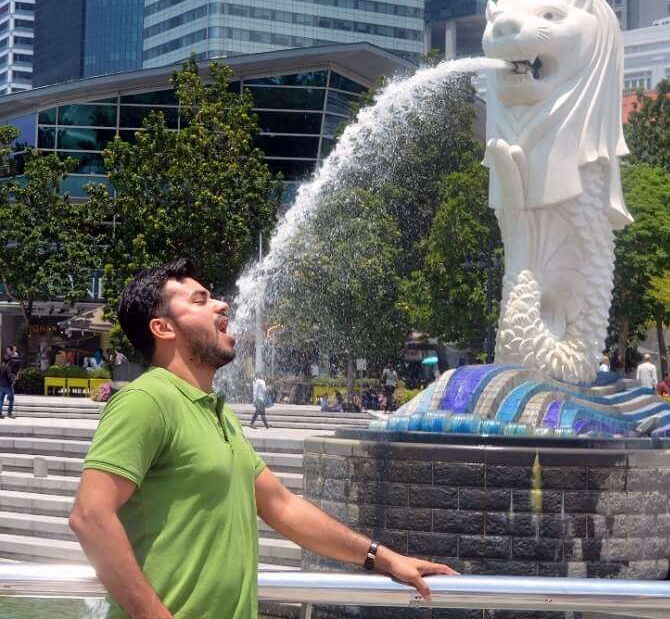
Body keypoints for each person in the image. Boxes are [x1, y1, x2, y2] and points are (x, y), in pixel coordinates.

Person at [69, 259, 455, 619]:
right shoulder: (146, 400)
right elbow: (90, 516)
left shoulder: (216, 413)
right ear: (163, 328)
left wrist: (383, 558)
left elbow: (283, 507)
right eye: (200, 300)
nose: (221, 305)